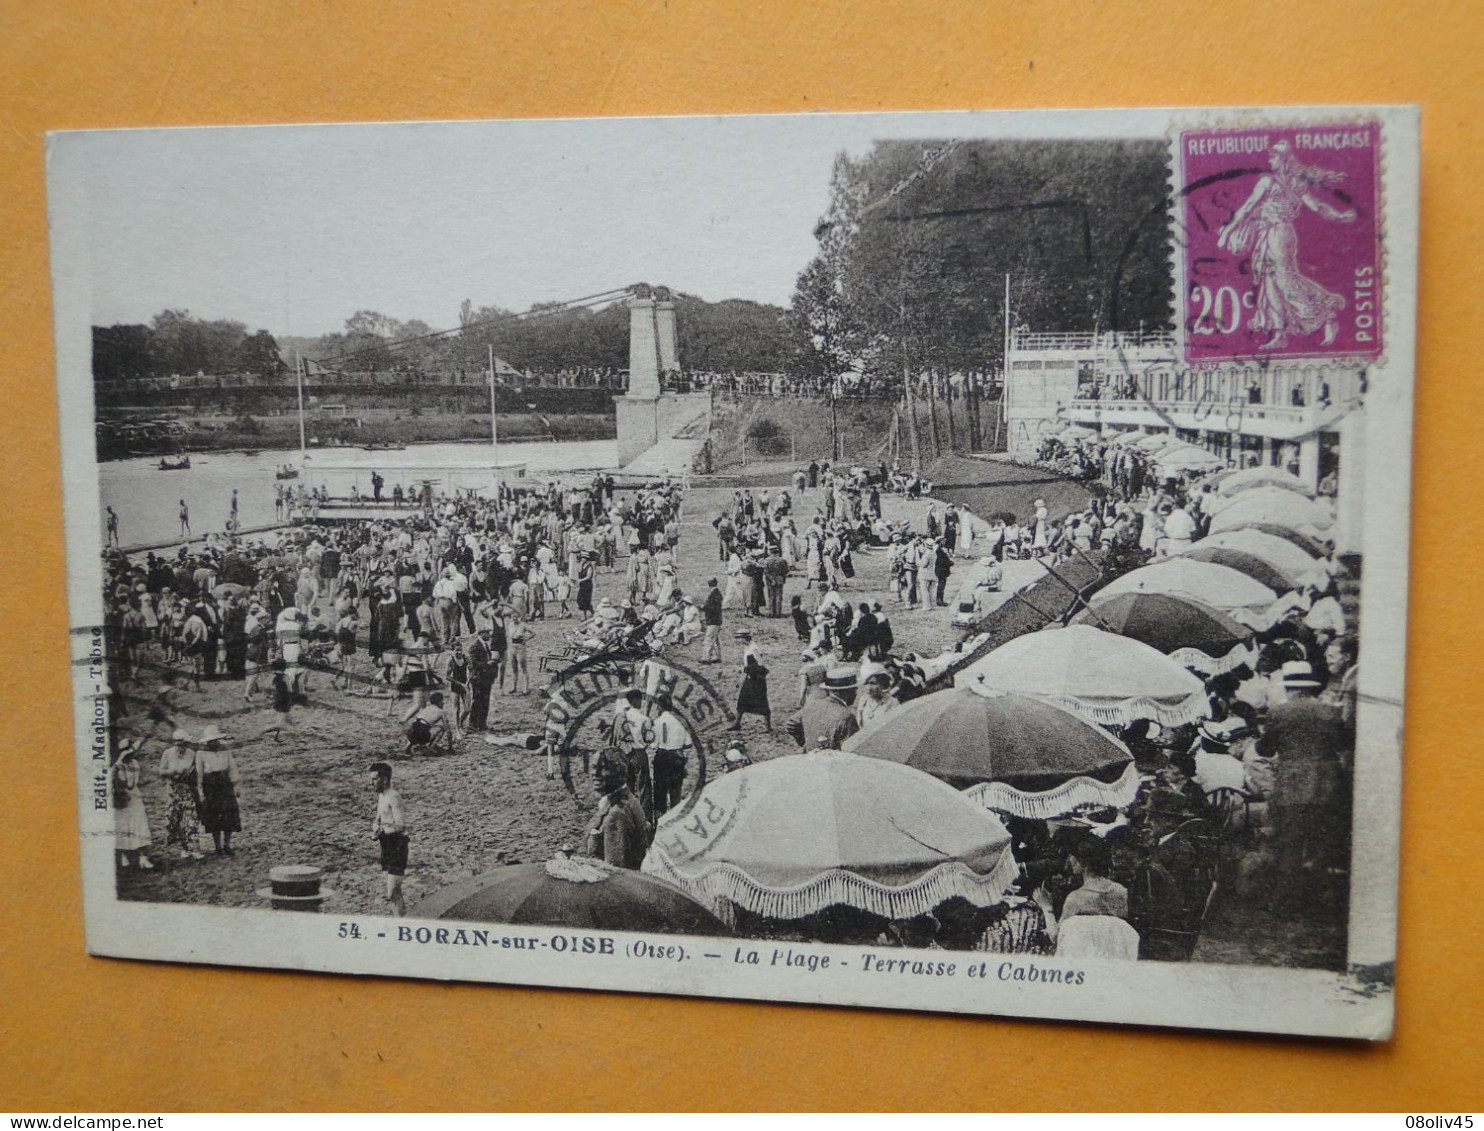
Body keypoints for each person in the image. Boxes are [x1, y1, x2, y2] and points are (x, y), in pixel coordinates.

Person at [584, 750, 649, 869]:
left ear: (619, 772)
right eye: (593, 767)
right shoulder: (627, 798)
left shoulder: (616, 815)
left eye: (603, 768)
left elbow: (613, 874)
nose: (595, 773)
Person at [784, 666, 859, 751]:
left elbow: (791, 724)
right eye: (855, 690)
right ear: (847, 692)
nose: (856, 694)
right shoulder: (846, 716)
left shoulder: (812, 704)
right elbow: (852, 748)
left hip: (810, 757)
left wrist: (807, 743)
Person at [158, 729, 204, 861]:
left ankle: (195, 848)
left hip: (187, 790)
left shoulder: (191, 754)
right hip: (173, 791)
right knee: (175, 820)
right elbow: (161, 770)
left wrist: (190, 774)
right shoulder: (167, 753)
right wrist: (172, 771)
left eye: (184, 744)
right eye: (179, 744)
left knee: (190, 819)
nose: (182, 747)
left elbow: (196, 771)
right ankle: (184, 848)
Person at [195, 724, 241, 856]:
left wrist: (236, 785)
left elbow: (232, 768)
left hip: (225, 785)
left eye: (215, 740)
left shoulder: (225, 751)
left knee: (229, 815)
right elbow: (199, 774)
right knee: (214, 817)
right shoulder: (201, 753)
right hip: (210, 787)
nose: (213, 743)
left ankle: (227, 844)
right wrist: (200, 792)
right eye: (210, 741)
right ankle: (218, 846)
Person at [370, 761, 409, 915]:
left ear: (384, 780)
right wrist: (375, 829)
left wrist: (383, 831)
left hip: (397, 846)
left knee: (392, 892)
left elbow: (400, 826)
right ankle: (400, 920)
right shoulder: (382, 796)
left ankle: (402, 920)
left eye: (374, 779)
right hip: (386, 846)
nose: (371, 783)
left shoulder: (394, 797)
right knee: (394, 893)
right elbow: (377, 819)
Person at [613, 689, 655, 823]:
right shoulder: (644, 719)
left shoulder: (621, 716)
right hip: (639, 753)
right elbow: (649, 739)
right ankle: (645, 820)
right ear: (636, 701)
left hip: (625, 753)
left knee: (628, 787)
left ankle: (628, 818)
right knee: (644, 787)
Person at [113, 740, 154, 870]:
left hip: (134, 796)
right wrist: (120, 764)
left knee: (139, 823)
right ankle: (124, 855)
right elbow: (119, 781)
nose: (129, 755)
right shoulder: (117, 765)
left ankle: (142, 856)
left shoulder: (135, 764)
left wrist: (124, 767)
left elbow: (131, 784)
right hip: (121, 797)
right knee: (123, 824)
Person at [651, 694, 690, 817]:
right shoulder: (680, 722)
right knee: (675, 793)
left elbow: (653, 745)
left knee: (660, 794)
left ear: (659, 707)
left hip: (662, 757)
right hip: (677, 757)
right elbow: (688, 743)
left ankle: (660, 821)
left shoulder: (657, 722)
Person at [728, 631, 772, 733]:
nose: (738, 640)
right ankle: (737, 723)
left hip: (757, 679)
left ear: (744, 638)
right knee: (742, 700)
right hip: (749, 678)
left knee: (762, 702)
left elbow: (760, 664)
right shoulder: (747, 647)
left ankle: (768, 727)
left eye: (739, 638)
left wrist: (748, 669)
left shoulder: (754, 648)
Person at [699, 577, 723, 664]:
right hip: (716, 620)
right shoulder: (717, 593)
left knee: (709, 638)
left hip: (713, 620)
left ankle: (706, 657)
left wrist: (703, 607)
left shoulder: (714, 594)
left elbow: (712, 608)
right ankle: (716, 656)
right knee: (715, 638)